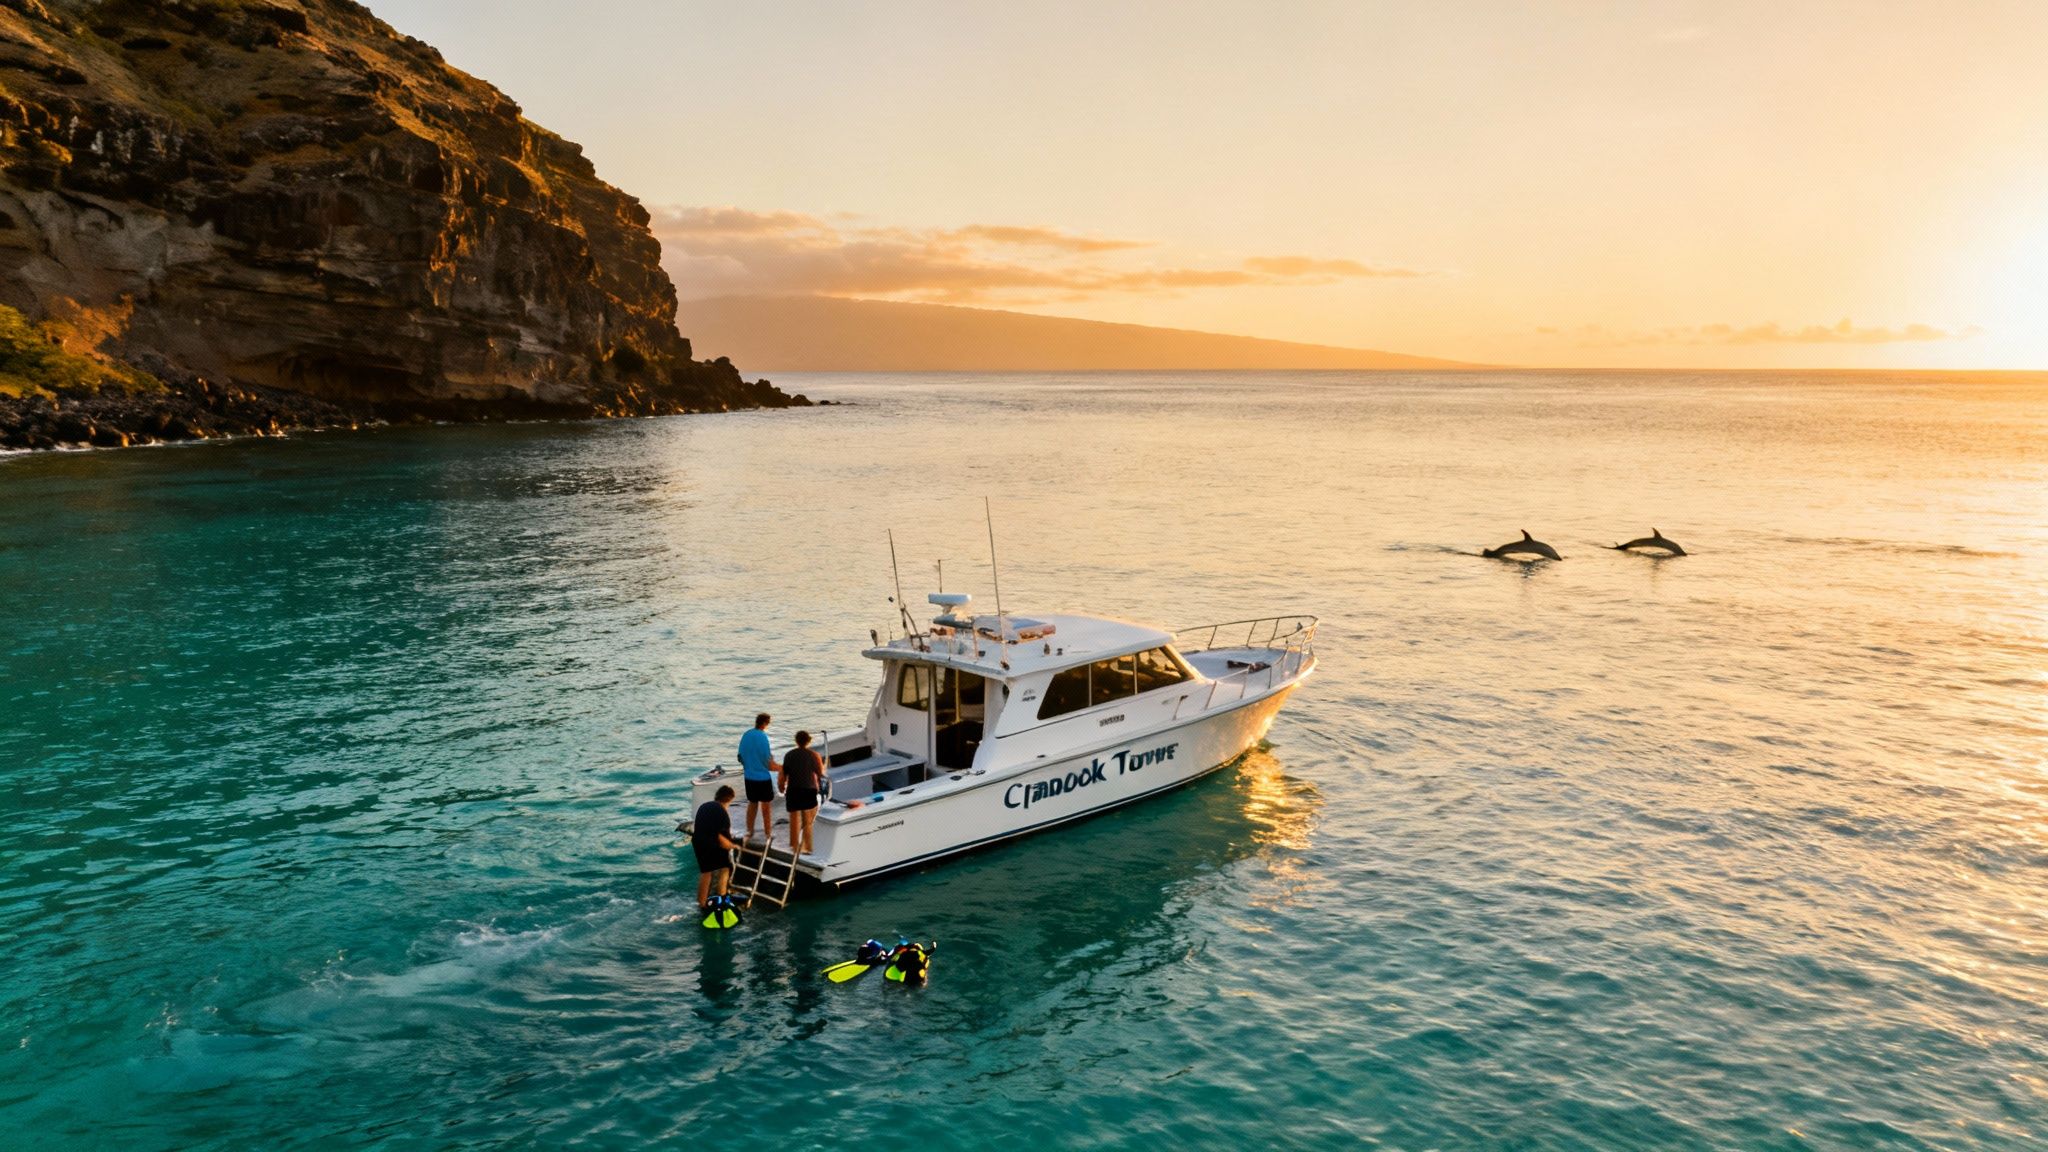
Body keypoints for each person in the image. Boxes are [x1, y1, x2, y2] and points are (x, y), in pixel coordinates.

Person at [690, 784, 740, 911]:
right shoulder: (722, 812)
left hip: (697, 841)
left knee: (706, 872)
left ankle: (701, 903)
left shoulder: (705, 805)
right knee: (726, 867)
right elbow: (722, 839)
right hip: (709, 843)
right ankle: (722, 897)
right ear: (729, 800)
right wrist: (733, 846)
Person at [779, 729, 826, 856]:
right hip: (808, 790)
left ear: (796, 741)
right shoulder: (813, 755)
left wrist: (781, 786)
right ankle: (807, 847)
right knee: (808, 821)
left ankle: (794, 846)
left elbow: (784, 774)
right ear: (808, 741)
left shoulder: (789, 755)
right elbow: (820, 774)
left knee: (794, 818)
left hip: (793, 790)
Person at [736, 713, 779, 844]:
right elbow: (768, 763)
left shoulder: (746, 734)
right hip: (762, 778)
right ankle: (768, 834)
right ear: (766, 723)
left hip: (749, 778)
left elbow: (740, 757)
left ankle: (750, 831)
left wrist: (749, 766)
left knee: (752, 804)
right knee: (766, 808)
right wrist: (782, 769)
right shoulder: (763, 737)